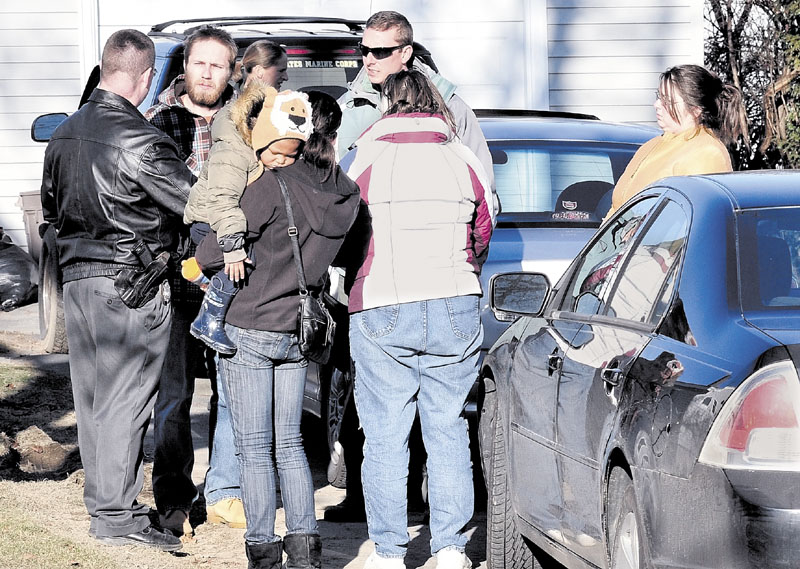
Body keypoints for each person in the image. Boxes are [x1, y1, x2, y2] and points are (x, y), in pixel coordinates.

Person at [328, 9, 497, 524]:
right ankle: (439, 541)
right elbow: (483, 213)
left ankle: (393, 543)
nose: (368, 60)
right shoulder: (352, 104)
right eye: (364, 49)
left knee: (397, 430)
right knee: (435, 425)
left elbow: (339, 211)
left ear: (406, 52)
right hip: (440, 292)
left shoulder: (439, 118)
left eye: (380, 52)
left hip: (380, 291)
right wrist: (463, 261)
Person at [40, 29, 193, 551]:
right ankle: (116, 516)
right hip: (133, 285)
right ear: (147, 78)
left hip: (78, 282)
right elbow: (193, 205)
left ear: (106, 68)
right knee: (128, 401)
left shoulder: (63, 135)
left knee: (93, 400)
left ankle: (106, 505)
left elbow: (49, 211)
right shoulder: (145, 141)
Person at [194, 89, 360, 569]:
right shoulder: (345, 193)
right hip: (299, 329)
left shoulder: (271, 185)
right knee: (290, 444)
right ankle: (305, 547)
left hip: (249, 326)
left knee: (254, 446)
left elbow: (209, 255)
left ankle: (264, 550)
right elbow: (349, 254)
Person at [143, 24, 241, 537]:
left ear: (232, 71)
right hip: (178, 284)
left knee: (234, 393)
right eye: (199, 63)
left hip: (235, 282)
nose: (207, 73)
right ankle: (173, 498)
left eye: (217, 65)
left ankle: (226, 491)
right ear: (185, 66)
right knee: (175, 398)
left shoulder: (246, 123)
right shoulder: (160, 123)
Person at [184, 40, 297, 356]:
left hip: (225, 218)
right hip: (213, 220)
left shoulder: (252, 118)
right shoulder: (236, 134)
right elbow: (223, 197)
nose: (286, 77)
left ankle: (202, 278)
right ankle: (209, 318)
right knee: (245, 261)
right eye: (282, 70)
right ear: (261, 71)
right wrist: (232, 249)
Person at [604, 64, 745, 220]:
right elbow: (618, 207)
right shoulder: (651, 145)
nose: (656, 105)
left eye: (667, 101)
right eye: (658, 96)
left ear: (696, 110)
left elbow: (695, 222)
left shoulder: (707, 153)